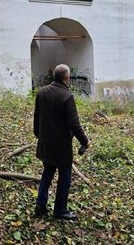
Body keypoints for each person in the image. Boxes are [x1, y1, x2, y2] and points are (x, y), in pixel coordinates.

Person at [33, 64, 91, 220]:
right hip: (61, 146)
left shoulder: (41, 92)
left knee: (47, 172)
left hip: (45, 143)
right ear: (67, 78)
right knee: (64, 177)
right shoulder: (67, 96)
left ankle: (40, 205)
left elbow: (37, 118)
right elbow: (74, 124)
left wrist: (38, 135)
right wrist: (85, 141)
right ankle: (60, 210)